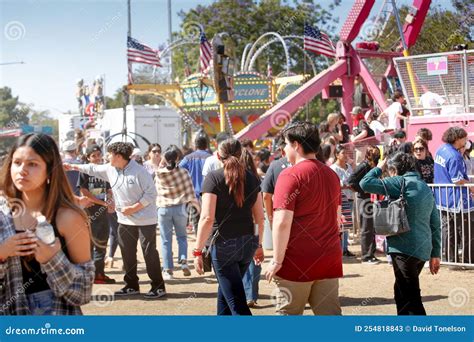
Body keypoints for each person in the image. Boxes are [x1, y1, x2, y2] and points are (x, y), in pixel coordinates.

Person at [0, 133, 94, 315]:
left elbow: (83, 292)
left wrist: (53, 259)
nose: (22, 170)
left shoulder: (68, 217)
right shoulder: (3, 214)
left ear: (50, 170)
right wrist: (3, 251)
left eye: (32, 164)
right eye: (17, 162)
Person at [64, 142, 166, 299]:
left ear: (118, 156)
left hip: (146, 220)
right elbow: (91, 169)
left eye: (109, 154)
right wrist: (71, 166)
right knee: (127, 252)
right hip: (124, 220)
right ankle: (131, 285)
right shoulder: (109, 168)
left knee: (149, 252)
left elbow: (151, 194)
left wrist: (134, 208)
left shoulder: (140, 172)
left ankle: (158, 287)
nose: (106, 156)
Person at [265, 122, 343, 315]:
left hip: (296, 261)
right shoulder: (331, 175)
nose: (283, 149)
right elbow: (337, 217)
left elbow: (282, 222)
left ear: (296, 145)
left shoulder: (289, 175)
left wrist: (276, 260)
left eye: (285, 144)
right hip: (328, 258)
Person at [360, 152, 441, 315]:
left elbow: (365, 183)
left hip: (404, 249)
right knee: (401, 292)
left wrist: (378, 168)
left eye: (389, 170)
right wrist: (435, 253)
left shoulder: (399, 182)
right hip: (422, 249)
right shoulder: (424, 185)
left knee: (411, 298)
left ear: (394, 169)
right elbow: (435, 221)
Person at [194, 138, 265, 315]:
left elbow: (207, 218)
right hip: (248, 242)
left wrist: (197, 251)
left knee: (236, 303)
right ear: (241, 155)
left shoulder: (213, 178)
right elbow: (259, 218)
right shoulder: (252, 178)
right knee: (226, 294)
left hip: (224, 244)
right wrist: (258, 243)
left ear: (218, 156)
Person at [156, 146, 198, 280]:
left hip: (164, 209)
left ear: (165, 158)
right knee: (182, 237)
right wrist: (198, 208)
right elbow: (191, 193)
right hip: (181, 209)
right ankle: (184, 262)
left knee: (166, 241)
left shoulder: (159, 173)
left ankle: (168, 270)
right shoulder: (184, 172)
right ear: (178, 158)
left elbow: (155, 191)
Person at [434, 127, 474, 264]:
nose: (466, 140)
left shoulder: (441, 149)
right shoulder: (454, 156)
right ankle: (468, 260)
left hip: (443, 198)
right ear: (457, 139)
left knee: (448, 231)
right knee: (467, 231)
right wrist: (471, 186)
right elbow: (457, 180)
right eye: (464, 138)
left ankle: (451, 259)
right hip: (456, 200)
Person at [78, 145, 115, 284]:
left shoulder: (104, 170)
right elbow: (84, 192)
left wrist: (110, 201)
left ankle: (99, 274)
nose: (97, 158)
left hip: (103, 212)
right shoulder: (84, 170)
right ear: (88, 158)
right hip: (89, 213)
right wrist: (102, 203)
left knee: (102, 243)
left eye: (99, 155)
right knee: (89, 245)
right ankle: (89, 276)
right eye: (93, 155)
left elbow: (109, 189)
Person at [348, 145, 381, 264]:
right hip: (364, 199)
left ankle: (371, 253)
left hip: (371, 199)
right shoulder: (363, 166)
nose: (375, 155)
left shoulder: (373, 166)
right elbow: (350, 181)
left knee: (371, 227)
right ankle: (366, 256)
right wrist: (362, 190)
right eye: (373, 152)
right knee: (366, 227)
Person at [240, 149, 263, 308]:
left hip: (237, 227)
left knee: (242, 262)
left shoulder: (233, 179)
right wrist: (259, 241)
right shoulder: (256, 180)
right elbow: (259, 215)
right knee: (254, 261)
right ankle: (251, 295)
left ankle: (245, 294)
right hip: (253, 225)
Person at [179, 135, 212, 234]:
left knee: (197, 221)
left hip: (193, 195)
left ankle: (199, 243)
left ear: (195, 145)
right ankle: (207, 243)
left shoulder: (188, 158)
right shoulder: (211, 158)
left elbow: (178, 170)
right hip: (209, 194)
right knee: (209, 219)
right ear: (206, 145)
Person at [331, 145, 356, 257]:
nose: (346, 155)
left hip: (349, 198)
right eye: (343, 153)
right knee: (340, 224)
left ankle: (345, 248)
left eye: (346, 153)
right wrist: (345, 186)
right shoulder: (333, 168)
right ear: (337, 155)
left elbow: (353, 180)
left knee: (346, 225)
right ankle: (340, 248)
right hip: (339, 199)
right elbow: (333, 184)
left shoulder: (348, 167)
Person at [261, 138, 291, 230]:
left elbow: (266, 196)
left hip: (280, 218)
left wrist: (271, 220)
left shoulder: (275, 165)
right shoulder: (306, 164)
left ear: (282, 150)